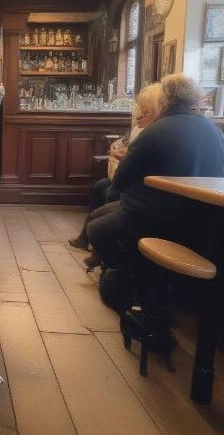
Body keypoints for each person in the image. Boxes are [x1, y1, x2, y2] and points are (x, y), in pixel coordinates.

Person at [87, 74, 224, 316]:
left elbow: (121, 179)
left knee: (96, 229)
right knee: (102, 213)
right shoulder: (213, 130)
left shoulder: (157, 130)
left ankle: (129, 274)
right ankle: (139, 275)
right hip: (203, 222)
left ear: (166, 98)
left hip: (155, 214)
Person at [69, 82, 165, 264]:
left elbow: (126, 172)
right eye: (140, 111)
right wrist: (118, 146)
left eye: (145, 113)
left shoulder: (154, 134)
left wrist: (122, 157)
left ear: (158, 110)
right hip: (150, 196)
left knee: (108, 194)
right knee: (101, 187)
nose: (138, 117)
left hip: (148, 201)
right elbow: (125, 142)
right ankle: (92, 245)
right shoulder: (146, 130)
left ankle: (117, 268)